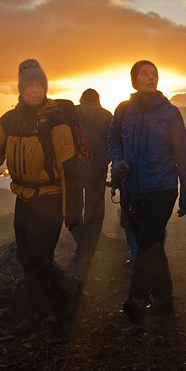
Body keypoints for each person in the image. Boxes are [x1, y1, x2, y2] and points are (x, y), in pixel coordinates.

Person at [0, 59, 81, 332]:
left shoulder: (56, 119)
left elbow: (68, 166)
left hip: (49, 196)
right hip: (24, 196)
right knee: (26, 255)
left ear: (45, 87)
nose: (35, 90)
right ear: (21, 89)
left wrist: (71, 209)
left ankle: (36, 314)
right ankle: (67, 292)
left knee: (37, 257)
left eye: (40, 85)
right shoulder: (9, 120)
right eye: (30, 85)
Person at [107, 60, 186, 324]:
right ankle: (164, 300)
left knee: (147, 241)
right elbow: (113, 140)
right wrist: (118, 160)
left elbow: (182, 152)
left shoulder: (170, 112)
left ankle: (136, 298)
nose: (150, 77)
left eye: (154, 74)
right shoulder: (123, 110)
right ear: (134, 80)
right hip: (132, 188)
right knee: (153, 245)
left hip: (162, 188)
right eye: (144, 74)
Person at [69, 89, 112, 264]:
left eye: (91, 106)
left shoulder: (106, 117)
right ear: (80, 102)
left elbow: (112, 142)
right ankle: (83, 244)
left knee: (95, 211)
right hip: (75, 171)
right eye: (85, 105)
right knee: (73, 210)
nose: (87, 109)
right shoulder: (73, 114)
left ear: (98, 104)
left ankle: (88, 247)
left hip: (96, 171)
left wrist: (104, 163)